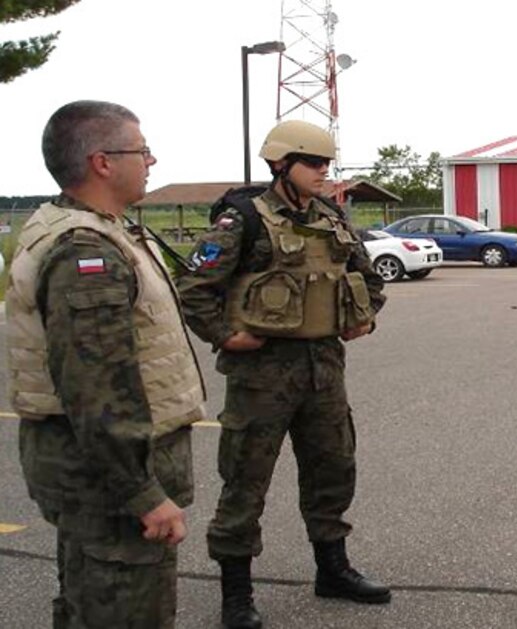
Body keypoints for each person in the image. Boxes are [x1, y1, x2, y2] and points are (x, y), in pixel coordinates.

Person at [176, 119, 389, 629]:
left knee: (333, 469)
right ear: (280, 164)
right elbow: (194, 287)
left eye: (326, 164)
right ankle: (236, 594)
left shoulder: (330, 217)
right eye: (313, 163)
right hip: (262, 373)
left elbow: (365, 275)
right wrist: (225, 336)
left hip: (324, 367)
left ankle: (333, 570)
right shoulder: (242, 220)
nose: (323, 172)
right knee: (245, 481)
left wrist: (363, 316)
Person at [7, 100, 205, 627]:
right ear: (102, 162)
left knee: (86, 601)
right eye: (142, 151)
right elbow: (96, 388)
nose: (151, 161)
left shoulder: (88, 228)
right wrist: (142, 494)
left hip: (99, 479)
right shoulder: (84, 252)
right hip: (111, 486)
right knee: (125, 610)